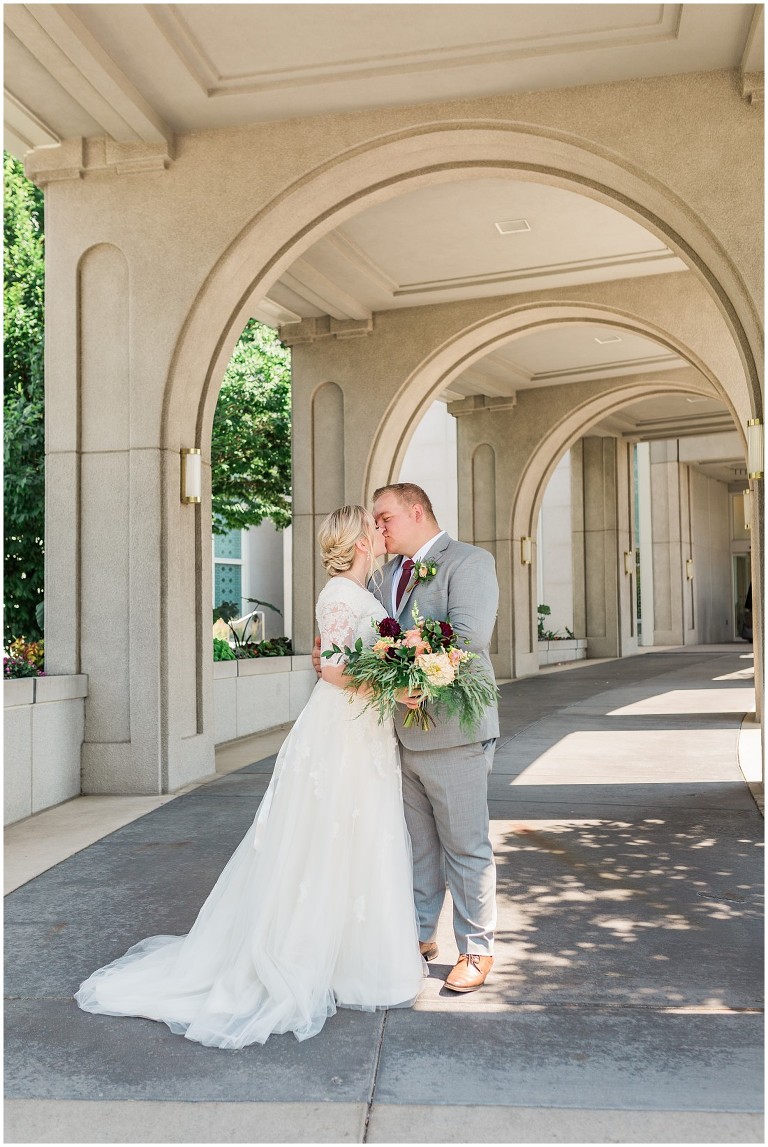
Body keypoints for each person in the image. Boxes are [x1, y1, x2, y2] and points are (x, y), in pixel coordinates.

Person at [75, 506, 426, 1048]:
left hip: (365, 733)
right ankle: (316, 960)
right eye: (373, 528)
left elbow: (350, 658)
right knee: (327, 837)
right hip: (342, 731)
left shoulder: (360, 592)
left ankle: (358, 960)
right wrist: (392, 688)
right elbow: (332, 667)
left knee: (363, 835)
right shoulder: (339, 594)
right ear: (358, 542)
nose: (381, 534)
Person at [312, 483, 500, 992]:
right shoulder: (384, 574)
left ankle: (476, 949)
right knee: (418, 847)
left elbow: (468, 636)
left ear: (417, 512)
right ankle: (419, 934)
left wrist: (405, 664)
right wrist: (335, 658)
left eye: (386, 517)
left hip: (455, 731)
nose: (379, 528)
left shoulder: (468, 562)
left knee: (465, 844)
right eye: (374, 521)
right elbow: (366, 640)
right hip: (396, 738)